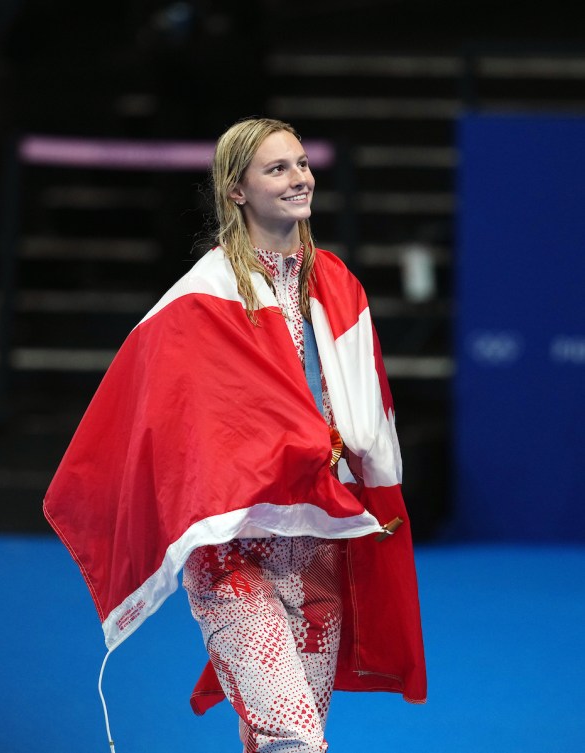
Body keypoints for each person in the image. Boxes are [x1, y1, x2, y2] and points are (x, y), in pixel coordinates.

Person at [44, 117, 426, 753]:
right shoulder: (201, 297)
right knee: (293, 738)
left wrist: (375, 496)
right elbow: (159, 415)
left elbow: (368, 412)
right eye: (277, 169)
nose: (299, 177)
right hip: (234, 554)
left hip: (320, 546)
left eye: (301, 163)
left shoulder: (337, 282)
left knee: (278, 736)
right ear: (236, 190)